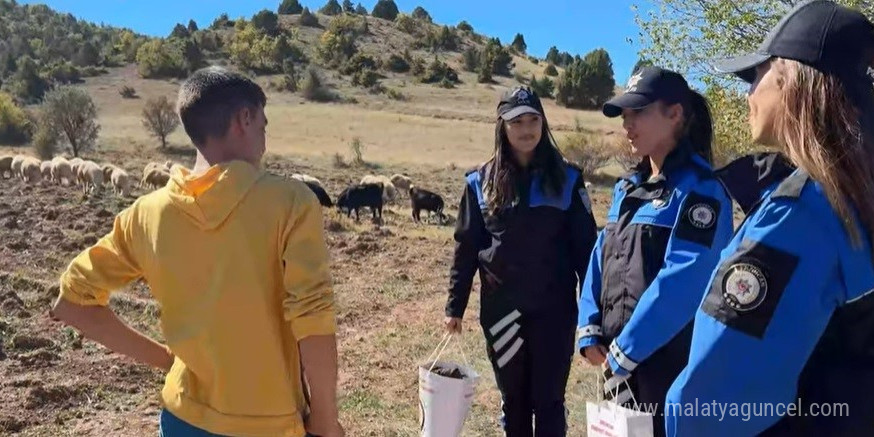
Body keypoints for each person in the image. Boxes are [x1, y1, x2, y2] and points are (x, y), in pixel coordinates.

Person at [50, 66, 344, 437]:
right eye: (263, 127)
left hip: (181, 418)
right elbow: (313, 321)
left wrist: (166, 359)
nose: (264, 142)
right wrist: (326, 423)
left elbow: (71, 302)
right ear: (244, 118)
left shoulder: (145, 213)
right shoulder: (292, 203)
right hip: (269, 424)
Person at [665, 1, 874, 436]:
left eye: (757, 74)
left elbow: (713, 397)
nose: (748, 92)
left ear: (793, 79)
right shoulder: (857, 194)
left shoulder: (803, 214)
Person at [575, 66, 735, 437]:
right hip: (619, 362)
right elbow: (601, 254)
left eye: (639, 113)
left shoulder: (702, 191)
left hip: (670, 364)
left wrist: (627, 350)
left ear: (675, 114)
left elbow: (687, 277)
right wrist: (589, 327)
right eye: (625, 116)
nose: (628, 125)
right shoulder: (628, 189)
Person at [444, 85, 598, 436]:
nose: (526, 129)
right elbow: (466, 248)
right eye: (516, 122)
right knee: (514, 401)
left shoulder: (568, 180)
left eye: (533, 120)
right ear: (502, 126)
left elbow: (586, 251)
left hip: (554, 312)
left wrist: (595, 314)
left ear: (543, 124)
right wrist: (455, 306)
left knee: (549, 400)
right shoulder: (478, 183)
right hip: (502, 313)